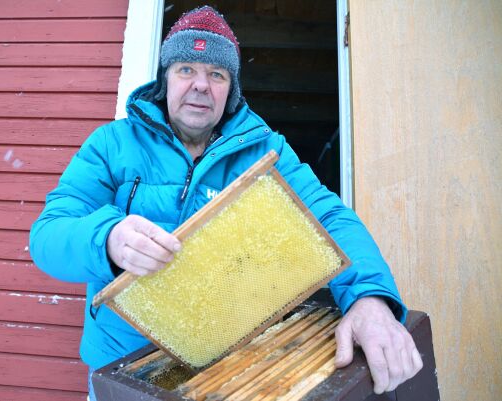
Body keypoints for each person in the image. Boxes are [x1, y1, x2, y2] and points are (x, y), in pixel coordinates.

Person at [30, 6, 423, 399]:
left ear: (230, 89)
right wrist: (108, 239)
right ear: (165, 79)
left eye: (216, 74)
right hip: (124, 369)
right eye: (186, 69)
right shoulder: (111, 144)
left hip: (236, 372)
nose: (201, 85)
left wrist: (370, 298)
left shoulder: (266, 150)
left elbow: (330, 218)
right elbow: (49, 234)